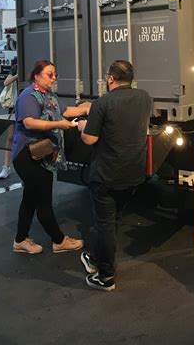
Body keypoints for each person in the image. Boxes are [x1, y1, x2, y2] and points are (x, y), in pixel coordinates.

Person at [78, 60, 151, 291]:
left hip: (106, 175)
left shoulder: (103, 102)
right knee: (113, 220)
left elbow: (90, 139)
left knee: (105, 224)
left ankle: (105, 276)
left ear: (110, 78)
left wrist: (82, 126)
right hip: (133, 173)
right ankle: (96, 259)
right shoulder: (144, 98)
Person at [11, 59, 91, 254]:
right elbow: (29, 122)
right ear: (36, 76)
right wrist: (59, 125)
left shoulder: (50, 95)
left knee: (30, 198)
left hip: (42, 155)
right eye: (50, 74)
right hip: (27, 155)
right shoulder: (28, 96)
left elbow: (65, 111)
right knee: (42, 199)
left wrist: (85, 108)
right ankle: (59, 240)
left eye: (55, 74)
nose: (54, 78)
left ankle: (20, 240)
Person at [0, 58, 18, 179]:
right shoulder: (15, 66)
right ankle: (6, 167)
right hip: (14, 107)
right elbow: (6, 82)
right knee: (10, 137)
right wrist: (17, 76)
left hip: (29, 106)